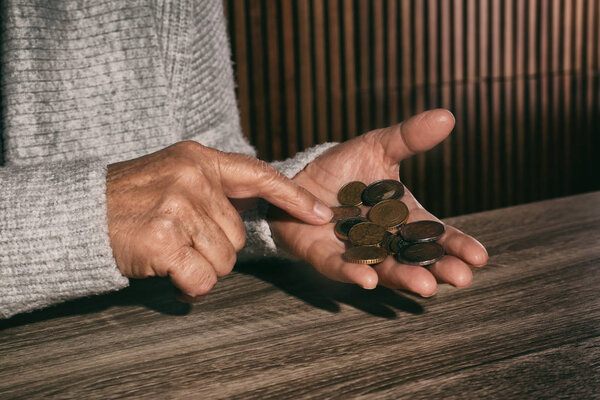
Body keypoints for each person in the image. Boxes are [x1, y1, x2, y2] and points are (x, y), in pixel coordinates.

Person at [0, 0, 487, 319]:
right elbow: (128, 201)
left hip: (156, 326)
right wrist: (84, 218)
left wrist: (280, 201)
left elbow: (202, 160)